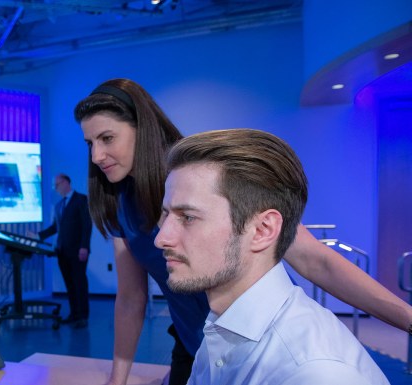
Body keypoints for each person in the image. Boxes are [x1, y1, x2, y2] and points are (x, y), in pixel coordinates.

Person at [73, 78, 412, 385]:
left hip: (252, 336)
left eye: (107, 138)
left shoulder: (197, 176)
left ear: (141, 130)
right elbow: (132, 297)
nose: (97, 155)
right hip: (203, 338)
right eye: (90, 143)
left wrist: (408, 319)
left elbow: (314, 259)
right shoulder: (117, 200)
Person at [155, 128, 389, 384]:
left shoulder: (313, 373)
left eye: (188, 217)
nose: (161, 238)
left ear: (262, 230)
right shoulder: (222, 323)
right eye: (167, 215)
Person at [31, 173, 93, 328]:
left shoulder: (81, 200)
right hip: (62, 251)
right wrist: (38, 235)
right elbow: (55, 227)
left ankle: (83, 316)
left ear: (66, 182)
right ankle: (74, 314)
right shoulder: (59, 205)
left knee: (79, 283)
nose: (55, 188)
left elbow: (87, 225)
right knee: (69, 284)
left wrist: (84, 246)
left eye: (57, 185)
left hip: (78, 251)